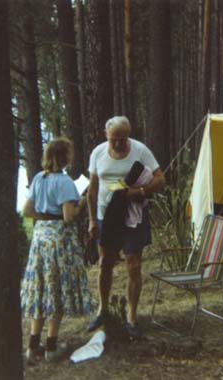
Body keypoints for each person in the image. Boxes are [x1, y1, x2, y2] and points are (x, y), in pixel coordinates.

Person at [86, 116, 165, 338]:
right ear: (106, 135)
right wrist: (92, 220)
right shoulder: (98, 153)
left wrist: (139, 193)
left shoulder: (140, 150)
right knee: (105, 264)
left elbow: (161, 179)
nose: (119, 144)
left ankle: (131, 316)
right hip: (105, 215)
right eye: (114, 139)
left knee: (133, 264)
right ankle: (102, 309)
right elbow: (92, 190)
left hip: (133, 216)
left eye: (123, 139)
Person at [21, 137, 91, 363]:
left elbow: (27, 210)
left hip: (40, 240)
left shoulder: (38, 178)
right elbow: (69, 217)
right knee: (56, 291)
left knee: (41, 291)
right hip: (59, 243)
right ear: (65, 157)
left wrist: (46, 218)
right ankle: (51, 347)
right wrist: (82, 200)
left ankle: (32, 347)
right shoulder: (65, 182)